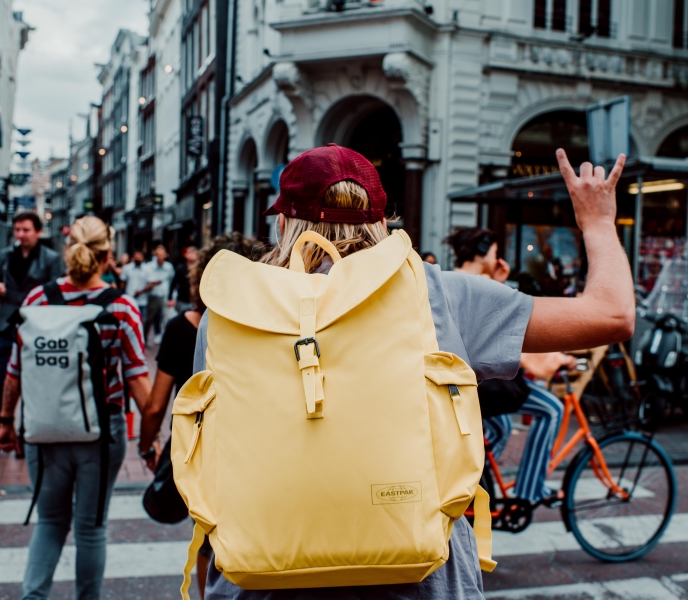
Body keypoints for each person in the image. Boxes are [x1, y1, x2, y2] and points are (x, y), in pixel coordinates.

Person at [190, 144, 633, 598]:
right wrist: (597, 221)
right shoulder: (439, 295)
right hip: (420, 581)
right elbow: (612, 315)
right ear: (384, 223)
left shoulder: (228, 312)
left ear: (282, 223)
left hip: (261, 578)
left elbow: (209, 454)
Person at [0, 217, 152, 600]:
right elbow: (136, 380)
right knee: (91, 528)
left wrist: (5, 422)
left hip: (44, 431)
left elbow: (14, 371)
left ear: (68, 253)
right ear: (108, 255)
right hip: (100, 434)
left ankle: (34, 596)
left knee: (49, 521)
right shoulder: (122, 307)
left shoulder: (37, 300)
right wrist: (154, 435)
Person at [141, 233, 261, 600]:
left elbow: (157, 404)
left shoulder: (181, 328)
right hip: (254, 446)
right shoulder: (263, 325)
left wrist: (149, 445)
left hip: (202, 450)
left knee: (208, 541)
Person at [445, 227, 574, 504]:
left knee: (500, 427)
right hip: (488, 384)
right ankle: (529, 489)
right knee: (552, 409)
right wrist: (556, 359)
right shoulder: (479, 287)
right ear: (482, 254)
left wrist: (496, 280)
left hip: (467, 383)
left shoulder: (454, 279)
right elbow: (507, 337)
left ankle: (478, 483)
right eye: (494, 252)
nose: (497, 257)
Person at [0, 213, 64, 459]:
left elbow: (55, 294)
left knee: (31, 383)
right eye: (17, 230)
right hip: (5, 326)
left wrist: (18, 297)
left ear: (38, 232)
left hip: (34, 326)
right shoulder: (5, 256)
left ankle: (25, 432)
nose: (21, 235)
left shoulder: (51, 259)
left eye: (26, 230)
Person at [140, 244, 174, 345]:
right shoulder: (149, 266)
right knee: (149, 319)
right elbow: (146, 280)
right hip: (152, 296)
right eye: (158, 254)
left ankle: (164, 339)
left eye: (162, 254)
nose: (160, 257)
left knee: (165, 317)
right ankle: (144, 338)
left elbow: (171, 280)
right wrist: (153, 283)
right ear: (155, 255)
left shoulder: (169, 267)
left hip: (163, 295)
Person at [121, 250, 149, 323]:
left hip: (142, 301)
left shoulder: (147, 269)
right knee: (129, 321)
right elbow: (123, 283)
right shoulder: (127, 268)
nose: (138, 258)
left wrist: (141, 291)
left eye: (140, 256)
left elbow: (150, 284)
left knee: (142, 321)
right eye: (136, 256)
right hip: (129, 299)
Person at [169, 245, 198, 314]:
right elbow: (173, 283)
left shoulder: (199, 269)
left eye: (193, 253)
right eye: (189, 253)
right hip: (182, 300)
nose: (191, 255)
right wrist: (170, 298)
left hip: (195, 301)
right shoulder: (180, 268)